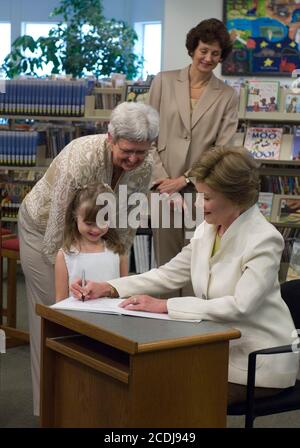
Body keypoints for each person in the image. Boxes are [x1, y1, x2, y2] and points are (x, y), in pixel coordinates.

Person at [71, 146, 299, 404]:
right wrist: (109, 287)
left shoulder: (264, 239)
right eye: (200, 195)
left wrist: (165, 305)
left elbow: (241, 306)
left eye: (208, 197)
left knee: (167, 392)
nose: (199, 203)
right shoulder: (208, 228)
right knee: (143, 379)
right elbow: (169, 274)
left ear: (236, 197)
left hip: (258, 365)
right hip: (218, 350)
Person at [18, 101, 159, 416]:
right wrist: (68, 271)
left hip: (94, 234)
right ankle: (50, 409)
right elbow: (57, 229)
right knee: (54, 317)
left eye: (142, 151)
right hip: (44, 231)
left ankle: (89, 400)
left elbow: (127, 223)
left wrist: (118, 280)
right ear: (110, 137)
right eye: (127, 151)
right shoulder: (80, 157)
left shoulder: (146, 165)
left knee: (101, 313)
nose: (135, 159)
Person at [147, 18, 239, 296]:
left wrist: (185, 179)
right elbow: (147, 133)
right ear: (192, 49)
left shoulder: (227, 95)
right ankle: (162, 332)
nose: (208, 58)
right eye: (204, 51)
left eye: (215, 53)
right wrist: (164, 180)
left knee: (197, 265)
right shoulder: (163, 81)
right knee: (165, 266)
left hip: (202, 193)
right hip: (161, 190)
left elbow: (223, 148)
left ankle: (191, 332)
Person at [55, 183, 128, 302]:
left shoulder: (118, 252)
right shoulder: (64, 256)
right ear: (75, 216)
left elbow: (125, 293)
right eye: (89, 223)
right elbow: (60, 300)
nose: (96, 229)